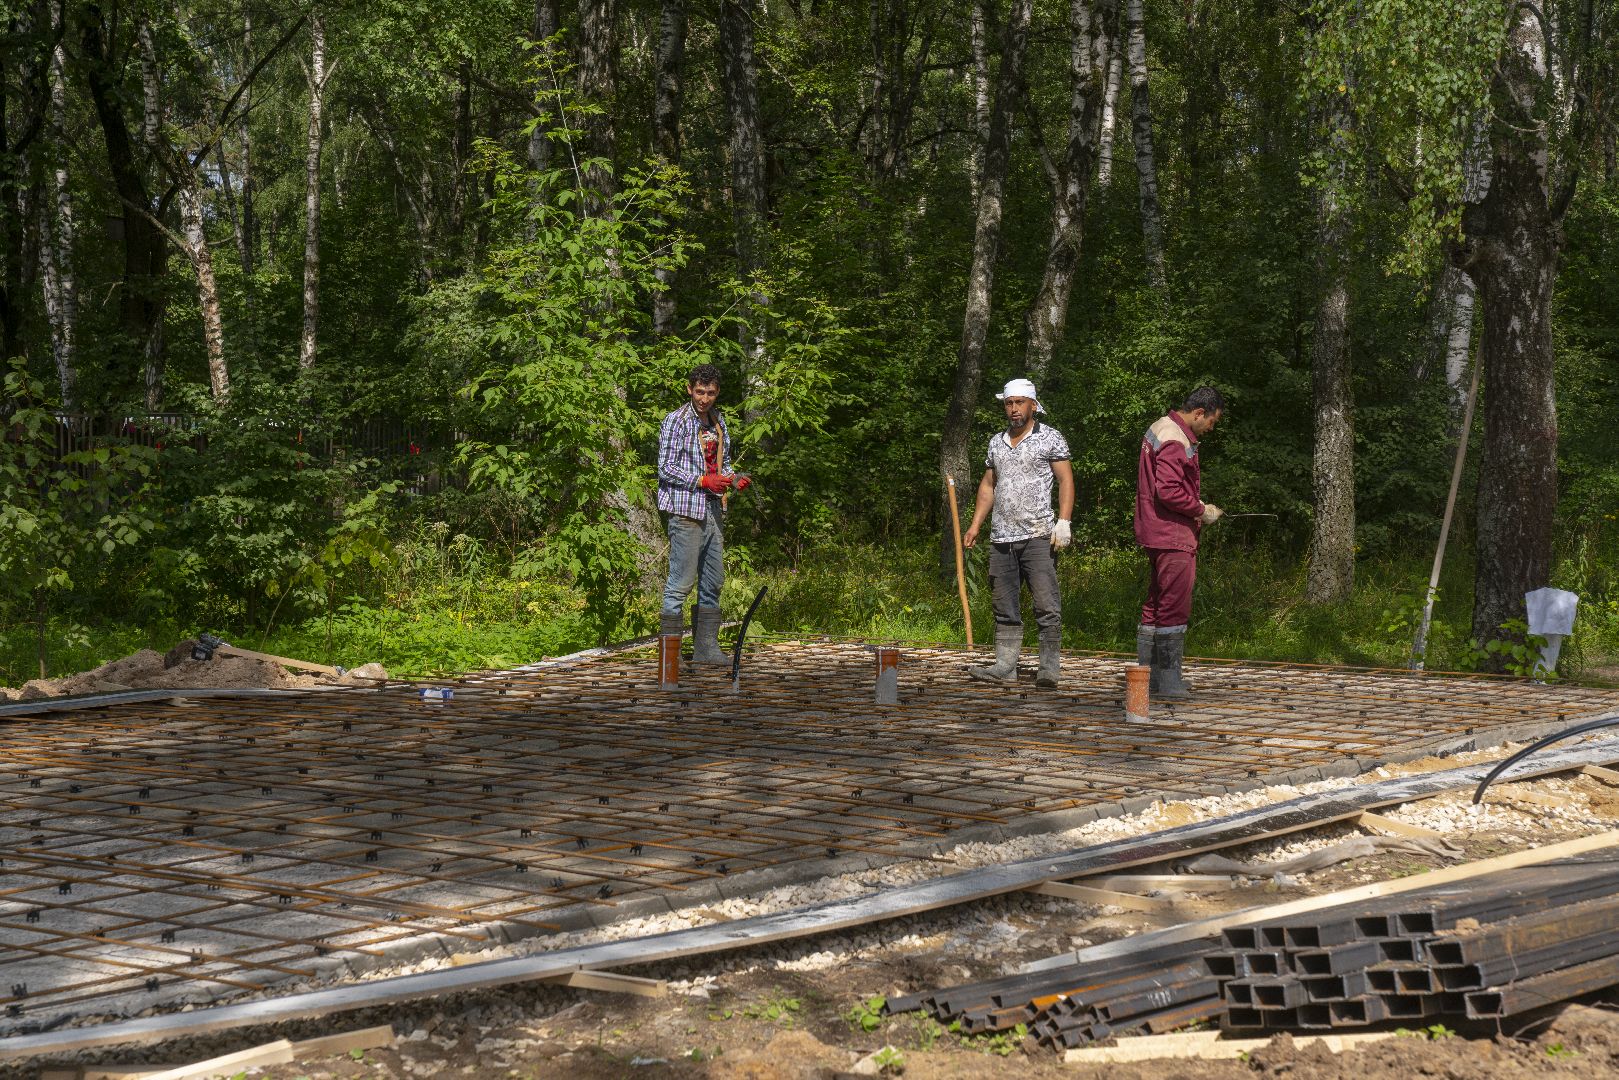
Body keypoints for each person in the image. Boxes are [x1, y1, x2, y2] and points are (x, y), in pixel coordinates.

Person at [963, 378, 1075, 689]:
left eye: (1019, 403)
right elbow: (988, 486)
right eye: (1009, 403)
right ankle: (1005, 667)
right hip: (1002, 537)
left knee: (1045, 603)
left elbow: (1065, 480)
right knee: (1003, 604)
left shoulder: (1050, 438)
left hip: (1038, 534)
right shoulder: (996, 442)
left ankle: (1049, 669)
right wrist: (975, 525)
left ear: (1033, 405)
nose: (1013, 409)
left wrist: (1063, 522)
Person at [657, 364, 750, 666]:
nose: (704, 398)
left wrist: (733, 478)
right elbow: (666, 468)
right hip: (686, 511)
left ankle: (706, 650)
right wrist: (701, 481)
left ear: (717, 392)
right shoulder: (676, 421)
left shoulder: (717, 421)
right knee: (680, 583)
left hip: (714, 509)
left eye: (710, 393)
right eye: (699, 391)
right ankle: (670, 658)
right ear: (689, 389)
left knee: (713, 581)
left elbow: (722, 464)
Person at [1135, 386, 1224, 700]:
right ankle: (1169, 682)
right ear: (1199, 413)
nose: (1210, 429)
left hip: (1153, 529)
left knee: (1155, 605)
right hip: (1172, 534)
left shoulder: (1161, 426)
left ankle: (1149, 679)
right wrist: (1202, 510)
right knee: (1173, 607)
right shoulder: (1176, 437)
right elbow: (1170, 491)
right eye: (1211, 421)